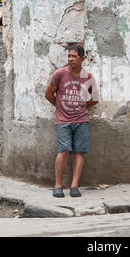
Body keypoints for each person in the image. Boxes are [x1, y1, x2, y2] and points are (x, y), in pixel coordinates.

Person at [45, 45, 99, 198]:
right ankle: (58, 185)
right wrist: (60, 106)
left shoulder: (88, 77)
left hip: (81, 120)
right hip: (63, 120)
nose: (70, 59)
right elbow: (48, 94)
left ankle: (74, 186)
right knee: (63, 150)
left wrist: (82, 106)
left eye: (74, 56)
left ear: (82, 59)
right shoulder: (60, 74)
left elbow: (95, 98)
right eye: (69, 56)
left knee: (78, 152)